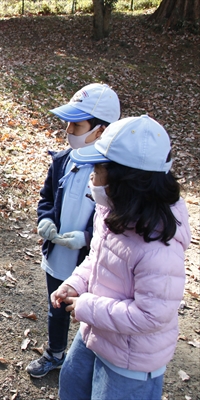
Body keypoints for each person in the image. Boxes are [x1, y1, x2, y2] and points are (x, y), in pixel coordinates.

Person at [52, 115, 191, 399]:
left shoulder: (158, 246)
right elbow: (99, 258)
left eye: (99, 169)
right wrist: (76, 283)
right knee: (71, 385)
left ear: (126, 181)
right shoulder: (114, 211)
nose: (92, 177)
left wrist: (87, 306)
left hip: (130, 362)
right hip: (98, 335)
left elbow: (151, 316)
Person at [27, 83, 121, 378]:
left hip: (93, 262)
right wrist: (45, 220)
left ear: (101, 130)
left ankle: (93, 362)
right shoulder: (63, 160)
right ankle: (55, 352)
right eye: (67, 123)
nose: (68, 130)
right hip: (58, 254)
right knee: (57, 305)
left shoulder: (114, 172)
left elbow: (120, 222)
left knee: (93, 311)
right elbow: (48, 197)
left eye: (76, 124)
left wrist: (87, 239)